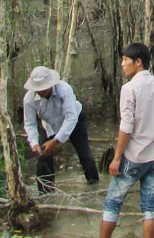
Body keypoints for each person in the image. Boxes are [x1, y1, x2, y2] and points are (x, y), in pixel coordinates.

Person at [98, 43, 154, 238]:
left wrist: (116, 157)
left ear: (138, 62)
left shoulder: (129, 88)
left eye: (125, 60)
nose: (122, 64)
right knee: (150, 205)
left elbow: (126, 127)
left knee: (113, 202)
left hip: (133, 157)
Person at [22, 65, 100, 193]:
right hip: (49, 125)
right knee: (43, 157)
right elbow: (30, 123)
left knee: (84, 153)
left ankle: (94, 186)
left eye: (43, 88)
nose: (40, 91)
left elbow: (71, 118)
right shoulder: (29, 99)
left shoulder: (64, 89)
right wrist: (34, 143)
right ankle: (45, 193)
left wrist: (56, 141)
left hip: (74, 121)